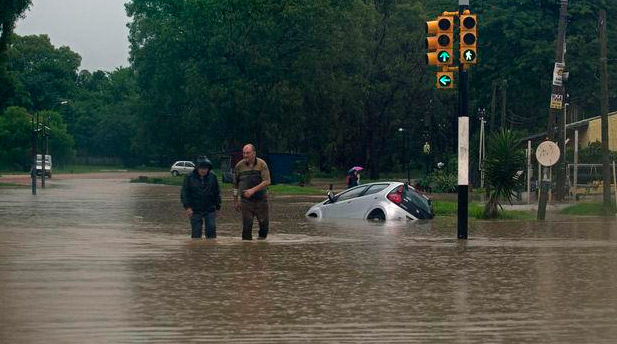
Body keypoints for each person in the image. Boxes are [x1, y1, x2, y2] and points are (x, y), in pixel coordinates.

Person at [233, 144, 271, 240]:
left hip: (261, 200)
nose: (245, 155)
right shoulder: (239, 166)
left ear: (254, 153)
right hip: (246, 201)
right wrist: (236, 201)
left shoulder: (262, 164)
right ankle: (246, 248)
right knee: (247, 225)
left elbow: (267, 181)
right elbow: (235, 186)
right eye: (244, 153)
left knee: (264, 224)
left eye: (248, 153)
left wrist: (253, 190)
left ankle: (261, 245)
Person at [181, 156, 221, 239]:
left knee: (211, 231)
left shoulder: (213, 177)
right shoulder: (189, 177)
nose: (203, 170)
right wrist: (187, 207)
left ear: (208, 168)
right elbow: (184, 193)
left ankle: (211, 249)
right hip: (194, 209)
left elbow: (217, 192)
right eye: (201, 168)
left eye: (205, 168)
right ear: (197, 168)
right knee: (196, 233)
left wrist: (218, 207)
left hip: (209, 209)